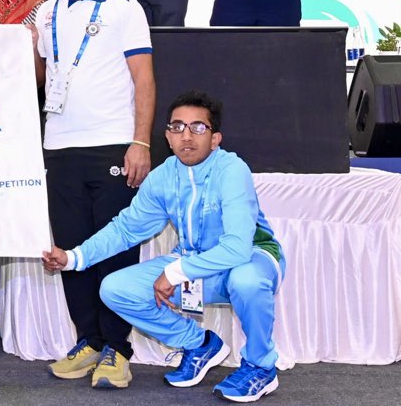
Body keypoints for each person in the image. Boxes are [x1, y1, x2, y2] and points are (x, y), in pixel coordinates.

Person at [43, 90, 285, 402]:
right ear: (168, 137)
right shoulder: (163, 177)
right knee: (114, 288)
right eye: (177, 127)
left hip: (252, 259)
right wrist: (74, 257)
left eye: (198, 128)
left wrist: (176, 272)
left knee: (246, 280)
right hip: (197, 268)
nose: (187, 136)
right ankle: (199, 345)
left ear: (216, 138)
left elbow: (238, 248)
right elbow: (126, 229)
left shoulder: (232, 170)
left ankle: (261, 366)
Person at [31, 0, 155, 389]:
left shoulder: (126, 8)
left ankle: (117, 350)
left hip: (112, 144)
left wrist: (140, 141)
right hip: (59, 146)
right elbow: (38, 77)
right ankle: (86, 341)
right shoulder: (44, 14)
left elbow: (144, 79)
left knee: (115, 251)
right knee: (71, 250)